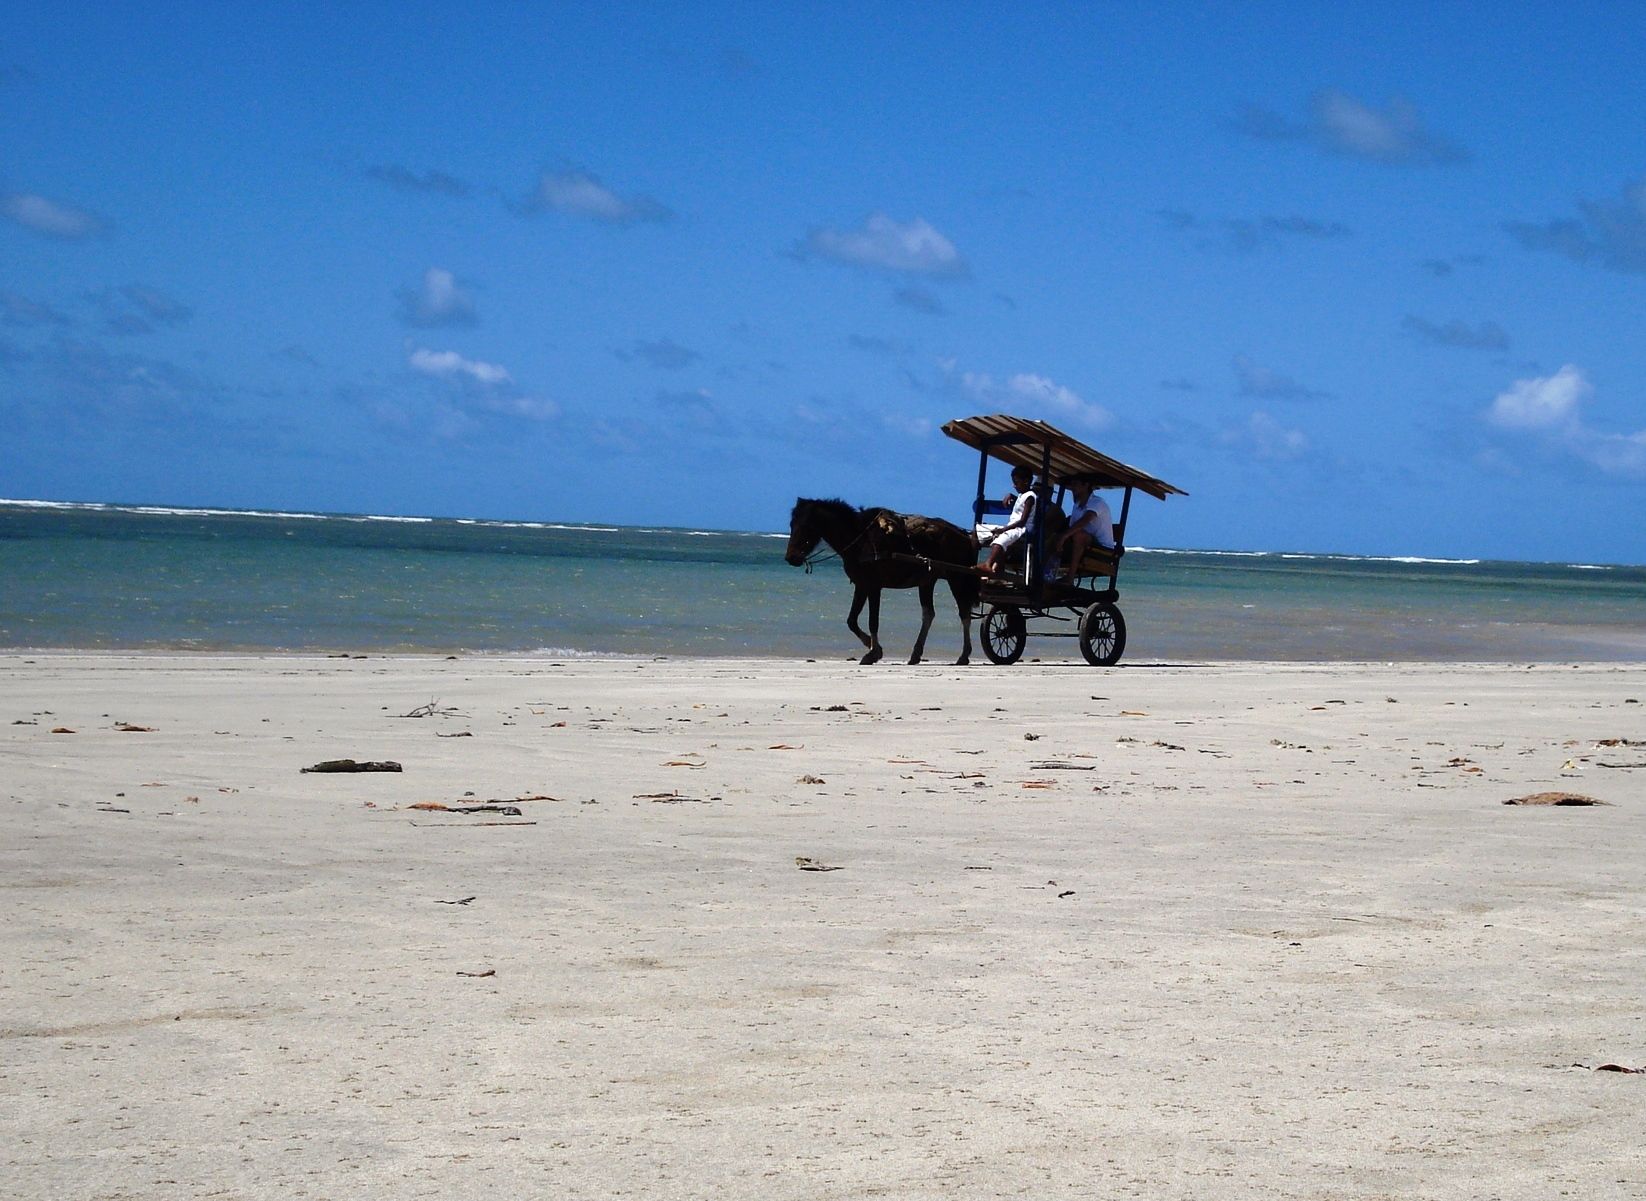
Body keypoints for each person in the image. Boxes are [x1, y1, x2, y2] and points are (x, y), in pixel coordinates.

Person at [979, 466, 1038, 577]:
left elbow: (1022, 521)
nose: (1014, 485)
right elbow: (1019, 502)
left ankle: (988, 564)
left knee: (1001, 539)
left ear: (1026, 482)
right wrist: (1011, 495)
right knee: (980, 530)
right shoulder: (1022, 495)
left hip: (1022, 529)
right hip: (1013, 527)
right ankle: (988, 565)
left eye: (1016, 483)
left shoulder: (1030, 497)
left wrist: (1003, 529)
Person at [1055, 479, 1115, 580]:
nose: (1072, 488)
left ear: (1086, 485)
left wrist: (1064, 536)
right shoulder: (1077, 505)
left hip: (1102, 552)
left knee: (1080, 535)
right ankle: (1044, 574)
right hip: (1087, 547)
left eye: (1075, 484)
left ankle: (1070, 578)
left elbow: (1085, 520)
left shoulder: (1097, 502)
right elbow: (1071, 527)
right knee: (1054, 536)